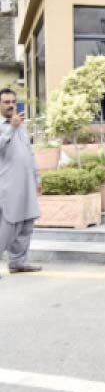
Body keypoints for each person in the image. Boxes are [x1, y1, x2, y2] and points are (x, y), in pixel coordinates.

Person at [0, 88, 42, 276]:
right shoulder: (8, 126)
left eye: (13, 102)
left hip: (26, 183)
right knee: (8, 225)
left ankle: (18, 262)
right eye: (6, 102)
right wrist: (11, 127)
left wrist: (37, 178)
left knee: (26, 223)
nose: (10, 105)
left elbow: (29, 153)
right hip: (8, 185)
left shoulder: (21, 125)